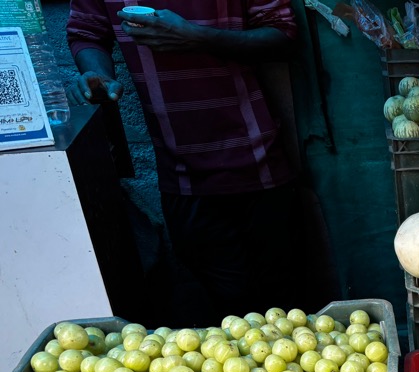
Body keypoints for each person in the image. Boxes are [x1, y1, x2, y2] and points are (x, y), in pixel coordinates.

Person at [66, 1, 305, 323]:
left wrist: (198, 37)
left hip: (258, 161)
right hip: (181, 171)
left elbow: (283, 35)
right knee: (225, 312)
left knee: (284, 306)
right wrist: (98, 75)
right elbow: (87, 34)